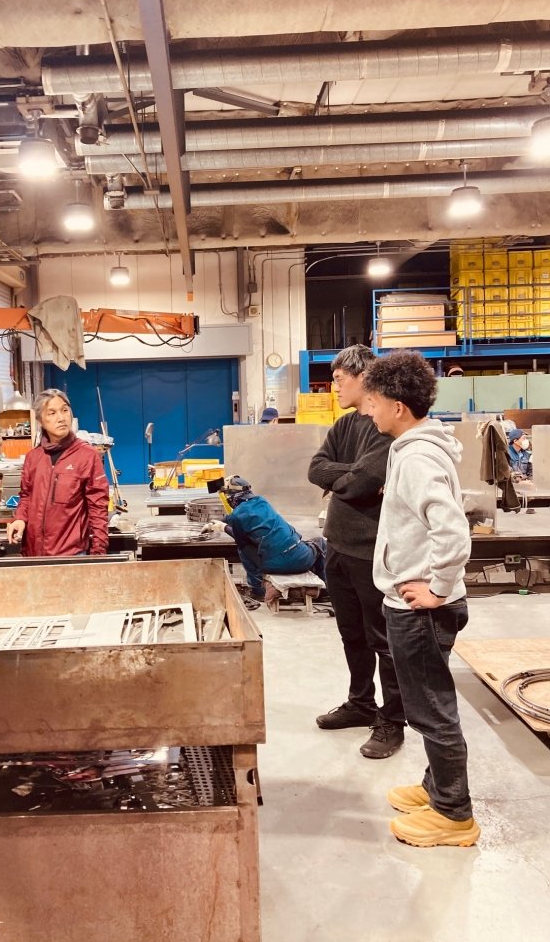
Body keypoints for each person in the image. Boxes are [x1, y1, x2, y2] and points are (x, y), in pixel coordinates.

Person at [363, 350, 479, 848]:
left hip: (421, 609)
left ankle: (454, 815)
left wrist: (437, 588)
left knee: (432, 709)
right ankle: (436, 788)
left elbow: (452, 531)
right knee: (428, 702)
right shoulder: (415, 447)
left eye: (373, 402)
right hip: (415, 602)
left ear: (398, 407)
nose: (368, 410)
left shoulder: (416, 457)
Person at [307, 345, 405, 759]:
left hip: (371, 551)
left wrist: (349, 479)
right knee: (352, 633)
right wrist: (350, 475)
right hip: (337, 546)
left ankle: (393, 720)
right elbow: (316, 468)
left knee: (383, 638)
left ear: (363, 378)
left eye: (339, 379)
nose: (334, 387)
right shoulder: (344, 425)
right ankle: (361, 703)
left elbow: (366, 481)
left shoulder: (385, 426)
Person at [6, 389, 110, 557]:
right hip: (34, 554)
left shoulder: (87, 456)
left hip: (71, 554)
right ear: (40, 420)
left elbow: (98, 508)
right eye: (52, 413)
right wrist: (20, 519)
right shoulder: (33, 457)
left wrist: (98, 553)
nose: (61, 418)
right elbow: (26, 496)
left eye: (64, 410)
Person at [205, 476, 326, 603]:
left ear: (231, 497)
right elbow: (241, 516)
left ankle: (258, 591)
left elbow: (240, 538)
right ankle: (324, 592)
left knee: (243, 548)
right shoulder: (262, 502)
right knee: (320, 543)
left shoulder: (237, 516)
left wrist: (223, 527)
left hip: (274, 566)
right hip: (302, 559)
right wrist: (220, 522)